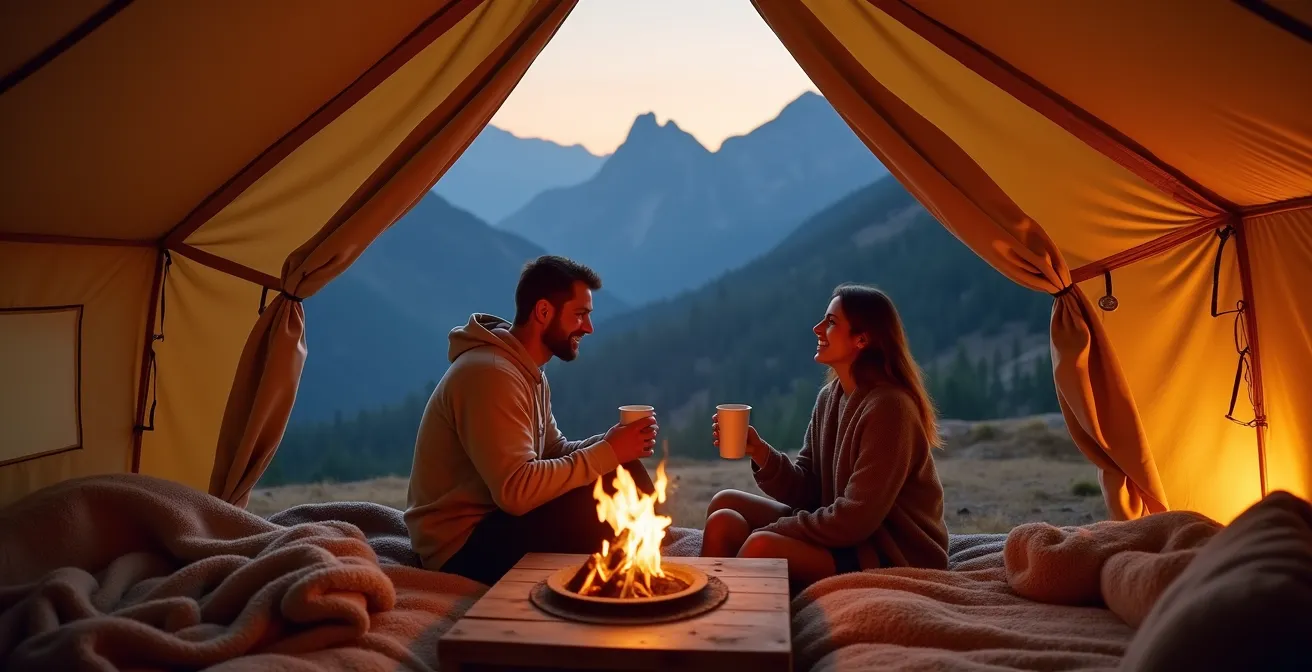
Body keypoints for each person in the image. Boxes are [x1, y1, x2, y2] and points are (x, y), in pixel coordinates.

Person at [404, 255, 659, 585]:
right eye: (580, 315)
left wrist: (610, 444)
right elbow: (516, 490)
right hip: (460, 546)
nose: (589, 327)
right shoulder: (490, 374)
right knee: (598, 499)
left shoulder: (526, 370)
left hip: (497, 520)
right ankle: (632, 579)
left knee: (623, 471)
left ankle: (647, 560)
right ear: (543, 312)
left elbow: (553, 450)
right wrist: (608, 453)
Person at [701, 283, 950, 587]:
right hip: (844, 533)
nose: (817, 328)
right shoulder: (830, 397)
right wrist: (760, 452)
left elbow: (855, 520)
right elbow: (808, 488)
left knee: (761, 547)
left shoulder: (890, 408)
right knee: (723, 510)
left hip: (890, 551)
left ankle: (742, 620)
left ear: (862, 339)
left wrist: (775, 529)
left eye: (831, 322)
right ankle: (708, 609)